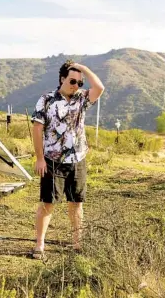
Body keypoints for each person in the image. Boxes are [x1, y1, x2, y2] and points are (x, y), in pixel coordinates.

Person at [29, 60, 105, 259]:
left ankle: (77, 245)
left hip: (78, 159)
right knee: (47, 203)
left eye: (79, 83)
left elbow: (99, 87)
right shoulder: (46, 100)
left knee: (76, 203)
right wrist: (39, 158)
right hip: (53, 161)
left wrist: (83, 69)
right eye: (72, 81)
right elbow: (37, 129)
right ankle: (39, 246)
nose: (76, 86)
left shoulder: (82, 99)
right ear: (62, 78)